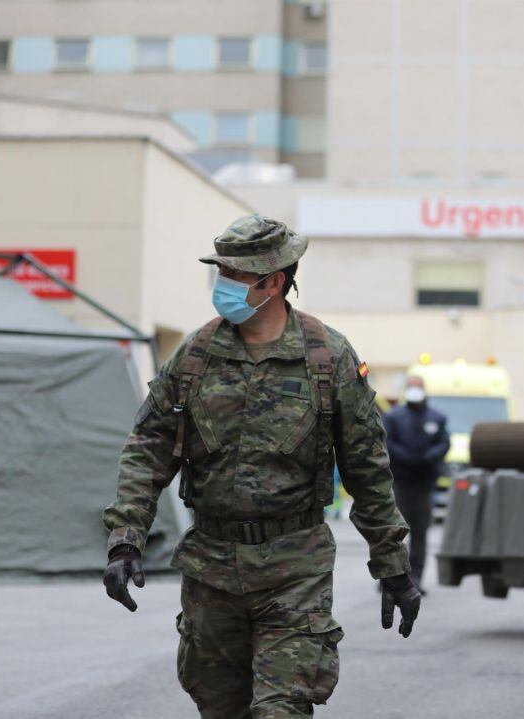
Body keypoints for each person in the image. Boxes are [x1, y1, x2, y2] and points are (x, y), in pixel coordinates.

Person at [102, 215, 421, 719]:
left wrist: (393, 566)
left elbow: (367, 469)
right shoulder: (196, 356)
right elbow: (148, 447)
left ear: (274, 282)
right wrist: (126, 538)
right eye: (221, 271)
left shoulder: (328, 358)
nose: (222, 284)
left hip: (295, 570)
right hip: (211, 569)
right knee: (221, 709)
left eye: (235, 274)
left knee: (281, 710)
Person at [383, 376, 450, 592]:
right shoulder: (394, 417)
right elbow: (387, 442)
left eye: (418, 388)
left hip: (424, 484)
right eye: (411, 388)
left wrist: (428, 456)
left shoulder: (436, 418)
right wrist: (407, 457)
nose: (415, 391)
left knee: (420, 533)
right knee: (395, 532)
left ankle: (416, 578)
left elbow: (444, 442)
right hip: (400, 482)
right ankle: (391, 576)